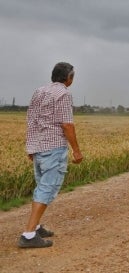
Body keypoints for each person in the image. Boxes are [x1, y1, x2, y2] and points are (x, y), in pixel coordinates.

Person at [18, 62, 83, 248]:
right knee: (47, 189)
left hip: (38, 147)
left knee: (42, 186)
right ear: (69, 78)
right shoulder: (64, 94)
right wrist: (76, 150)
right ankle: (29, 235)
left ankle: (36, 227)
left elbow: (31, 118)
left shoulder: (39, 91)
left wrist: (31, 147)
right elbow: (67, 125)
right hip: (53, 148)